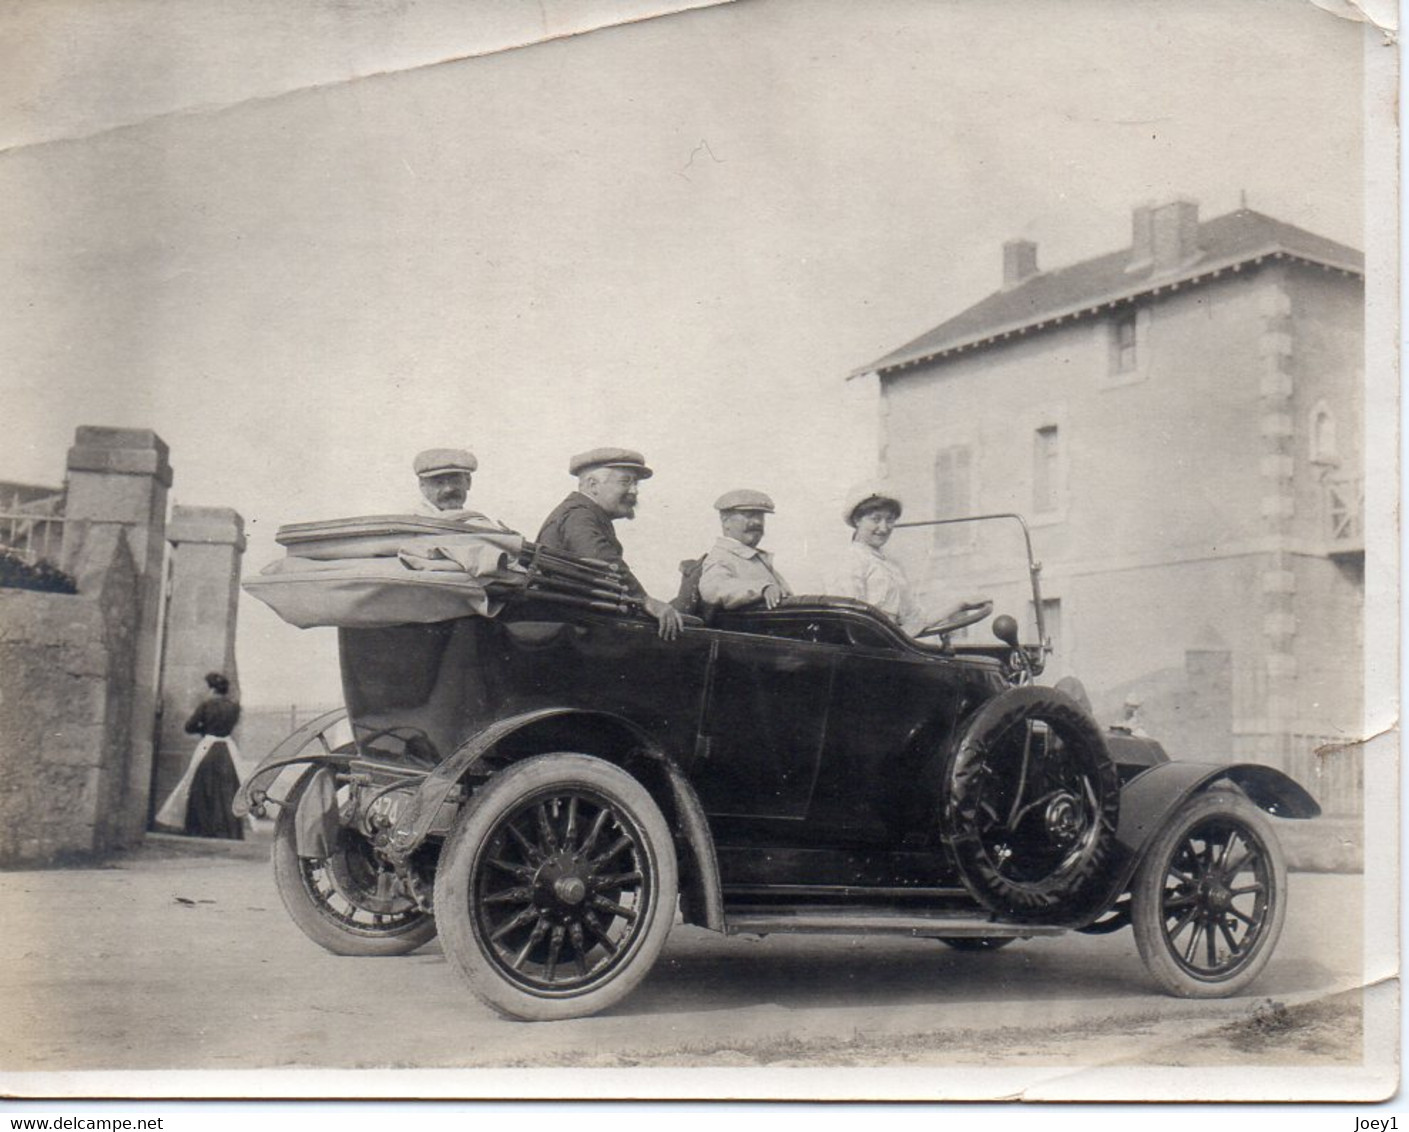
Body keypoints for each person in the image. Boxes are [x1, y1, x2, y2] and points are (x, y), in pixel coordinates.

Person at [536, 448, 684, 640]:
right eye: (625, 481)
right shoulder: (579, 514)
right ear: (592, 484)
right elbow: (601, 563)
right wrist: (644, 600)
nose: (634, 490)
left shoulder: (585, 513)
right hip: (571, 629)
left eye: (635, 483)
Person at [829, 485, 977, 637]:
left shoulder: (892, 565)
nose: (883, 528)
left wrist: (960, 604)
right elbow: (850, 622)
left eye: (890, 520)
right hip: (868, 653)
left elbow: (917, 620)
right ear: (857, 520)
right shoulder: (850, 560)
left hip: (895, 648)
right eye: (876, 519)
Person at [154, 672, 244, 840]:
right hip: (227, 749)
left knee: (200, 785)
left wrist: (204, 729)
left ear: (212, 689)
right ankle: (227, 831)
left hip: (208, 747)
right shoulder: (234, 707)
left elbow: (189, 726)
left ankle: (201, 828)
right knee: (226, 789)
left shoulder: (206, 705)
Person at [698, 489, 792, 611]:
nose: (757, 522)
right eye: (749, 515)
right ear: (725, 521)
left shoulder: (756, 559)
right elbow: (713, 589)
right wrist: (761, 588)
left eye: (760, 516)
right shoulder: (721, 557)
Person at [413, 448, 491, 521]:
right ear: (422, 485)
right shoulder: (411, 524)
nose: (448, 489)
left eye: (455, 481)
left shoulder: (477, 523)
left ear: (468, 482)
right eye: (439, 482)